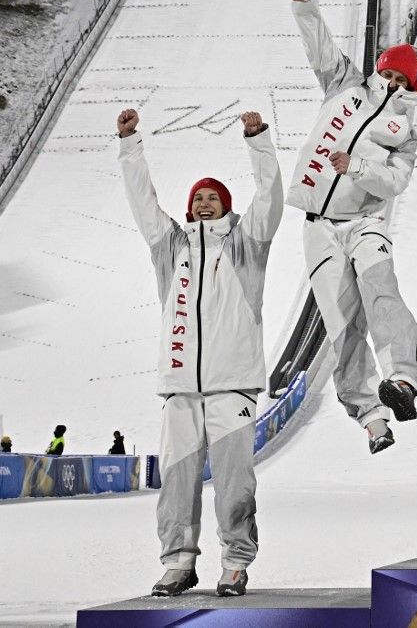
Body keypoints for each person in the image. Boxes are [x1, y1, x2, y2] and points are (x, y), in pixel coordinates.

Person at [117, 107, 283, 598]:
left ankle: (235, 562)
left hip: (232, 383)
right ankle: (178, 563)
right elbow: (143, 204)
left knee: (235, 483)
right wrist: (130, 145)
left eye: (213, 197)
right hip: (179, 386)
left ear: (226, 205)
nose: (205, 203)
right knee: (177, 483)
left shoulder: (247, 243)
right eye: (198, 199)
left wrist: (259, 142)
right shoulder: (171, 246)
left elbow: (270, 198)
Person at [285, 0, 417, 454]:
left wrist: (359, 166)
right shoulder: (345, 85)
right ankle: (372, 417)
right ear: (381, 69)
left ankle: (403, 378)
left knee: (381, 293)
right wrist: (306, 6)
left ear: (411, 88)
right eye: (390, 75)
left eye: (402, 82)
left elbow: (394, 183)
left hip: (365, 223)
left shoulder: (404, 133)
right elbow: (320, 49)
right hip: (319, 228)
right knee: (342, 324)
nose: (393, 85)